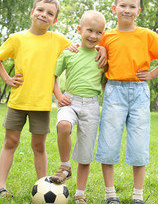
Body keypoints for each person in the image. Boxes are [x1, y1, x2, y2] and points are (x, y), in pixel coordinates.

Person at [0, 0, 107, 197]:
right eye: (41, 10)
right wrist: (8, 79)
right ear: (32, 12)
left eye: (50, 13)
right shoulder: (17, 38)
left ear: (55, 20)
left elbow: (86, 46)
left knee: (38, 145)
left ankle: (43, 186)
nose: (44, 15)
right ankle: (1, 186)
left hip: (41, 104)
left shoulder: (58, 40)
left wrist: (102, 47)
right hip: (18, 101)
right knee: (10, 141)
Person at [94, 0, 158, 204]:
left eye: (132, 7)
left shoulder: (147, 35)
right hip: (114, 91)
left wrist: (152, 73)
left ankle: (137, 196)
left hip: (139, 92)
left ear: (138, 11)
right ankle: (110, 194)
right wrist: (100, 48)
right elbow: (90, 46)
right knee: (108, 141)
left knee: (139, 143)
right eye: (122, 5)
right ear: (114, 9)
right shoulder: (107, 36)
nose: (127, 10)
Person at [49, 10, 107, 204]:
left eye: (99, 32)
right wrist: (58, 95)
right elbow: (53, 77)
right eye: (90, 30)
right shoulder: (69, 53)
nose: (93, 36)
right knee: (63, 125)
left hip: (91, 105)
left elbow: (107, 81)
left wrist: (104, 49)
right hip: (70, 101)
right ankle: (65, 167)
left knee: (85, 153)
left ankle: (80, 193)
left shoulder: (102, 57)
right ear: (79, 29)